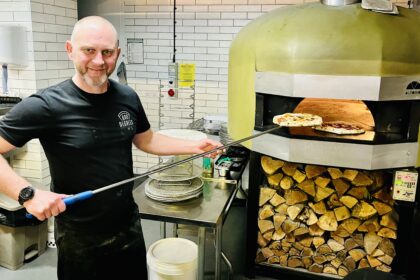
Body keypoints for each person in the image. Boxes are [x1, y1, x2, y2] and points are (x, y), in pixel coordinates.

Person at [0, 16, 221, 280]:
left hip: (127, 225)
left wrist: (195, 145)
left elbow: (146, 139)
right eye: (89, 51)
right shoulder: (47, 105)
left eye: (107, 52)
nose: (99, 61)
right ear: (70, 50)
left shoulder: (127, 97)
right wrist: (27, 194)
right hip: (79, 236)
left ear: (117, 53)